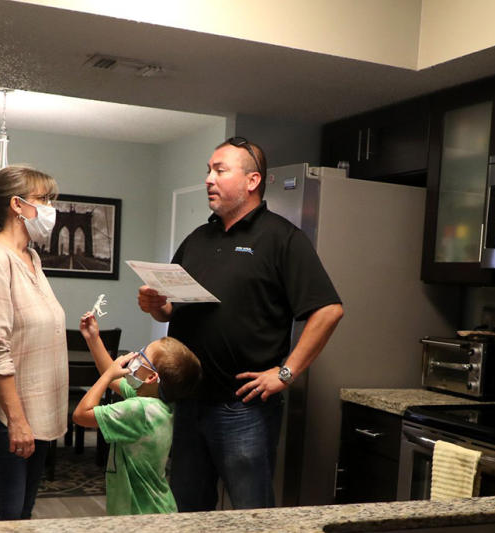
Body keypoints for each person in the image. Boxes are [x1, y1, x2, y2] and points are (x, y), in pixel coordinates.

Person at [137, 137, 343, 511]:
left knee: (251, 517)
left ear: (252, 181)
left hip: (243, 408)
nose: (208, 179)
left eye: (219, 170)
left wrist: (285, 373)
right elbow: (173, 310)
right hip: (187, 400)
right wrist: (157, 307)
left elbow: (328, 310)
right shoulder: (197, 239)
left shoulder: (283, 239)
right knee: (186, 511)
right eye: (208, 170)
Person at [0, 164, 67, 521]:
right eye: (44, 199)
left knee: (21, 515)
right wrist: (17, 421)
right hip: (2, 414)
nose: (51, 208)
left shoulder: (31, 258)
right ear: (17, 205)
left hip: (35, 410)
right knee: (4, 518)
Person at [71, 311, 201, 515]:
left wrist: (107, 375)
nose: (136, 356)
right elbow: (115, 379)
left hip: (143, 515)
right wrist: (94, 339)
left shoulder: (139, 410)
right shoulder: (156, 401)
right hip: (152, 510)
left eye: (142, 355)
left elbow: (81, 414)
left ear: (150, 378)